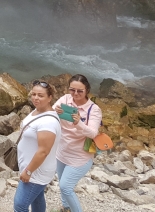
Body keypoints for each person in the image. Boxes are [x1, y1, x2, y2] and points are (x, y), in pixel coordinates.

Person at [53, 74, 102, 212]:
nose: (75, 94)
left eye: (80, 91)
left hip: (80, 156)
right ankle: (66, 208)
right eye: (72, 90)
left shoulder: (94, 109)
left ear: (87, 90)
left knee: (66, 187)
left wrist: (78, 123)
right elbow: (50, 113)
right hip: (62, 151)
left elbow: (93, 133)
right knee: (62, 184)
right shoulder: (65, 99)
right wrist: (55, 112)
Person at [14, 80, 62, 212]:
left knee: (20, 205)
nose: (35, 98)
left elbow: (43, 151)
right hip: (31, 166)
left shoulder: (48, 122)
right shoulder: (37, 111)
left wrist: (28, 171)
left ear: (50, 98)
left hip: (36, 170)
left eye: (40, 95)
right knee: (37, 198)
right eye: (33, 94)